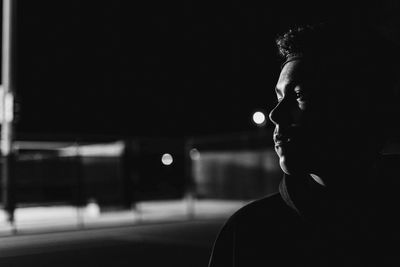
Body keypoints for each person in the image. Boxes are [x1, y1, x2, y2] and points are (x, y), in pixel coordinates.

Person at [208, 22, 399, 267]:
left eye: (300, 95)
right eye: (278, 97)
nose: (275, 115)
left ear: (360, 106)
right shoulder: (245, 234)